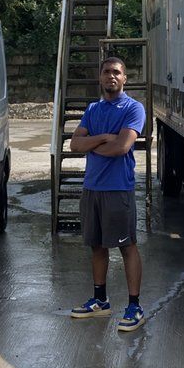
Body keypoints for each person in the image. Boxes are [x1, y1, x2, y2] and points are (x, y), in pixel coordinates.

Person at [69, 56, 146, 332]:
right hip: (92, 189)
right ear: (100, 77)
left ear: (124, 78)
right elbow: (75, 144)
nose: (111, 76)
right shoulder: (93, 109)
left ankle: (135, 306)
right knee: (97, 246)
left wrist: (94, 143)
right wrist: (103, 138)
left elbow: (122, 148)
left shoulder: (133, 108)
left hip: (118, 189)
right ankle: (100, 301)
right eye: (106, 72)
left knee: (127, 246)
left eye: (116, 72)